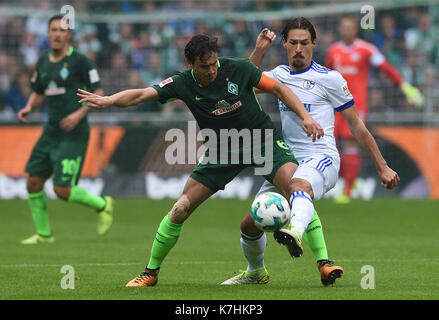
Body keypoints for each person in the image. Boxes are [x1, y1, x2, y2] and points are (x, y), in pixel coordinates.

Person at [78, 34, 324, 287]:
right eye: (204, 66)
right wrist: (108, 100)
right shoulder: (182, 82)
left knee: (295, 189)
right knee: (180, 209)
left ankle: (324, 263)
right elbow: (141, 95)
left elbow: (279, 88)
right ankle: (150, 272)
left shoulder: (237, 67)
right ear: (190, 64)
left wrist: (305, 116)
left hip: (262, 140)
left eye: (214, 64)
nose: (211, 70)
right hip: (221, 150)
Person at [221, 18, 400, 286]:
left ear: (314, 44)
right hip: (286, 163)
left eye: (304, 43)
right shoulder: (279, 75)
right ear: (285, 44)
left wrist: (382, 166)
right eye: (293, 43)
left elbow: (357, 126)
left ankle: (294, 232)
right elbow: (245, 83)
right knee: (249, 225)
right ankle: (255, 272)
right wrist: (259, 49)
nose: (298, 49)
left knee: (298, 187)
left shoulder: (330, 78)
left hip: (322, 158)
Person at [17, 14, 115, 244]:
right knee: (32, 182)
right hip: (50, 132)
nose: (57, 34)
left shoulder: (81, 62)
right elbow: (39, 91)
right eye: (53, 30)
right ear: (48, 33)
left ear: (69, 35)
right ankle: (44, 235)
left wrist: (78, 114)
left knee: (62, 189)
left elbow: (99, 94)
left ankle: (103, 205)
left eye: (62, 30)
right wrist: (29, 107)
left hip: (74, 133)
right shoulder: (42, 62)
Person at [325, 15, 422, 203]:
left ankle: (348, 189)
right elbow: (326, 75)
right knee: (331, 144)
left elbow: (386, 68)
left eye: (350, 27)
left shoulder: (366, 49)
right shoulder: (333, 51)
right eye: (343, 27)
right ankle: (345, 181)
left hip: (355, 106)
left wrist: (405, 87)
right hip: (334, 106)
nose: (346, 30)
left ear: (355, 29)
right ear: (340, 29)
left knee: (351, 144)